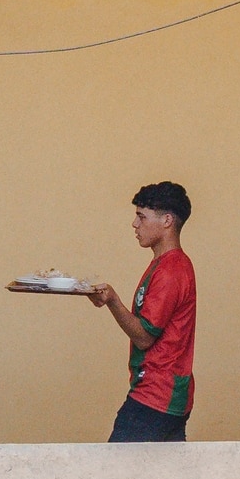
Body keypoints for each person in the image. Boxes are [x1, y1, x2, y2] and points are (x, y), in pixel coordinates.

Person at [76, 181, 195, 442]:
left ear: (167, 221)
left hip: (155, 396)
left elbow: (144, 336)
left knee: (115, 477)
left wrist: (112, 301)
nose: (135, 224)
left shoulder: (171, 270)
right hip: (168, 395)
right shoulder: (166, 264)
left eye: (141, 217)